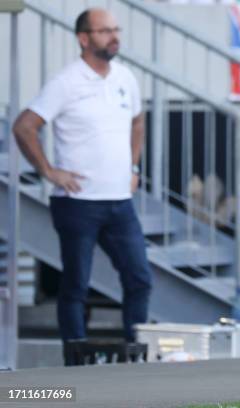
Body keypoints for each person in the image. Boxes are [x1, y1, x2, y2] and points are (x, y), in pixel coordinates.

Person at [12, 8, 151, 364]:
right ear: (84, 38)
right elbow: (25, 126)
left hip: (120, 201)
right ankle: (74, 361)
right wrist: (48, 171)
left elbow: (138, 121)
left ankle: (136, 357)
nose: (113, 36)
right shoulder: (65, 81)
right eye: (104, 30)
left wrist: (134, 165)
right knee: (76, 286)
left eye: (115, 29)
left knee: (139, 279)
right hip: (77, 203)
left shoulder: (126, 77)